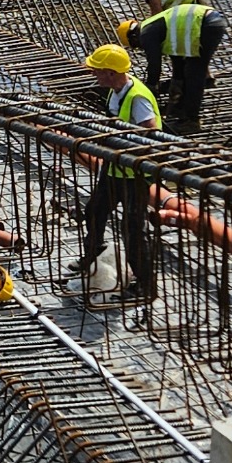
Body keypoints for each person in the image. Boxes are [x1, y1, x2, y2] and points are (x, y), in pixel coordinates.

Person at [72, 44, 162, 300]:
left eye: (98, 70)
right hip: (115, 168)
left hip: (135, 174)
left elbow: (150, 132)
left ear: (111, 72)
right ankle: (93, 255)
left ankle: (145, 287)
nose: (94, 75)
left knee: (133, 229)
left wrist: (121, 140)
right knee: (95, 210)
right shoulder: (117, 91)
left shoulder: (138, 97)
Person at [121, 0, 225, 134]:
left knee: (195, 72)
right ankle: (181, 111)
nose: (140, 48)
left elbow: (154, 65)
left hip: (207, 24)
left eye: (136, 45)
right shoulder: (162, 30)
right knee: (189, 71)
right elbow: (178, 65)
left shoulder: (146, 33)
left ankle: (192, 121)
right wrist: (175, 89)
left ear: (133, 36)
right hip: (210, 21)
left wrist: (150, 88)